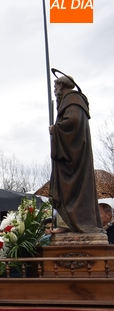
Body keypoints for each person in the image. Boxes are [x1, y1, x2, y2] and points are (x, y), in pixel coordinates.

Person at [48, 73, 103, 235]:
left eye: (55, 87)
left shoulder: (73, 99)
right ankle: (69, 224)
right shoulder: (69, 100)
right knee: (68, 190)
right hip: (71, 153)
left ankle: (76, 223)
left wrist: (56, 129)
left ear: (61, 86)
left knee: (72, 189)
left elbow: (73, 122)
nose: (54, 90)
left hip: (73, 155)